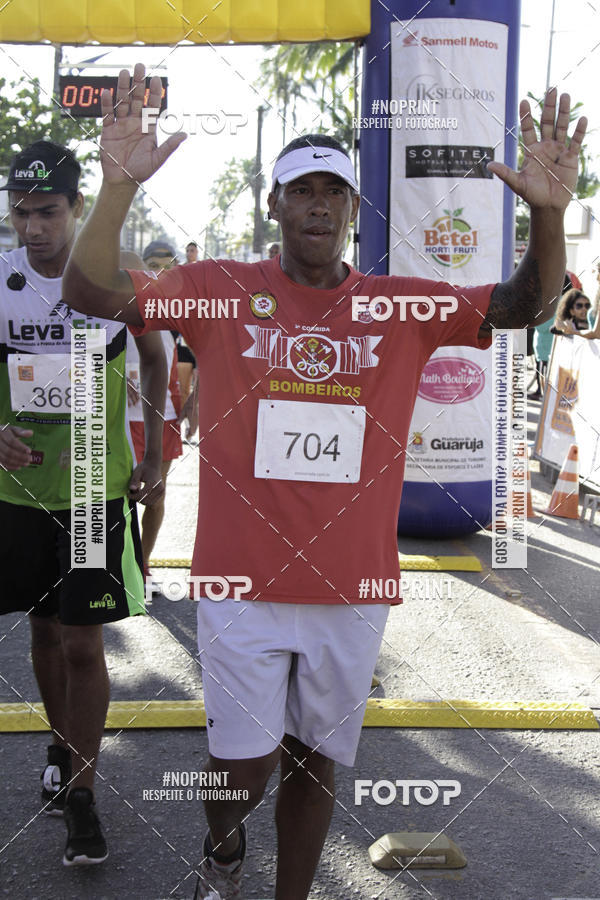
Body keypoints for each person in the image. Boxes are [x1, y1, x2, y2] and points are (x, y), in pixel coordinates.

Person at [62, 65, 586, 900]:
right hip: (241, 584)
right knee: (242, 767)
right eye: (301, 191)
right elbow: (88, 289)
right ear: (274, 205)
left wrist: (548, 215)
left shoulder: (398, 306)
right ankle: (223, 848)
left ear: (352, 209)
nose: (318, 206)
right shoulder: (219, 291)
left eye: (333, 192)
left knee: (314, 763)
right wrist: (117, 186)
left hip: (351, 587)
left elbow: (523, 303)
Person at [0, 140, 167, 866]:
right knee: (43, 632)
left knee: (82, 641)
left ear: (75, 208)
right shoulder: (2, 278)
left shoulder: (111, 277)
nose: (33, 227)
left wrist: (155, 454)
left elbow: (156, 358)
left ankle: (82, 792)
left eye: (48, 212)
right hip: (20, 492)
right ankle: (62, 744)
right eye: (21, 213)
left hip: (95, 487)